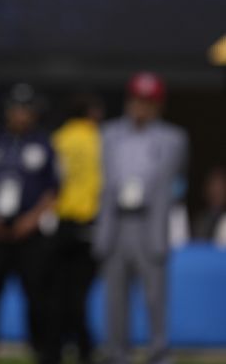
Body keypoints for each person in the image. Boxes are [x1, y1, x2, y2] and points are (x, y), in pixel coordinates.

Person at [95, 72, 188, 364]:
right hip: (116, 223)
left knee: (154, 296)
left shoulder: (173, 138)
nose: (141, 107)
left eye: (148, 101)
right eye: (137, 100)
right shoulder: (109, 134)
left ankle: (159, 352)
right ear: (128, 100)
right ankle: (116, 352)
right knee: (115, 297)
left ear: (158, 104)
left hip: (150, 223)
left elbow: (177, 181)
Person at [0, 83, 59, 364]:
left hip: (29, 232)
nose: (20, 115)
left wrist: (31, 220)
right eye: (15, 109)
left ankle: (45, 352)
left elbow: (53, 188)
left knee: (37, 296)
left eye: (26, 110)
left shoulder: (44, 144)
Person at [49, 92, 104, 364]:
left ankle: (59, 349)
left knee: (60, 293)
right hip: (87, 225)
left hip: (61, 224)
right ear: (91, 112)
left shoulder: (60, 138)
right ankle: (84, 349)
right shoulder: (98, 140)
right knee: (79, 295)